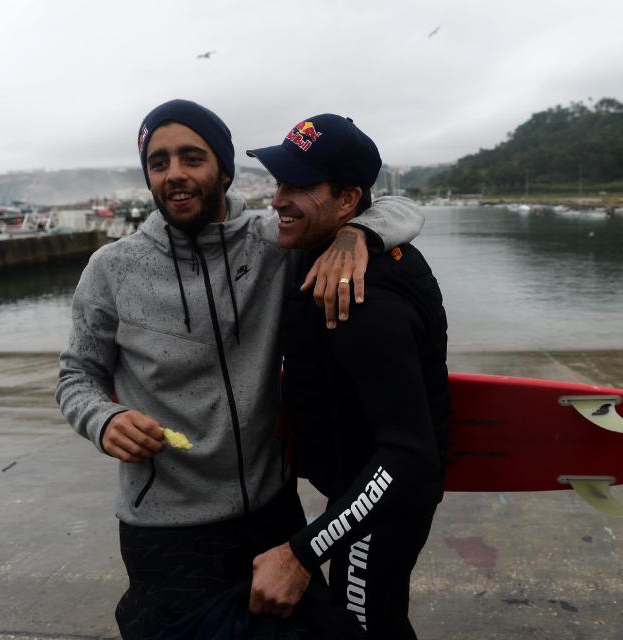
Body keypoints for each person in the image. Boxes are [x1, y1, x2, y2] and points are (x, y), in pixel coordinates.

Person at [56, 99, 424, 639]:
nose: (175, 174)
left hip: (271, 515)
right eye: (159, 163)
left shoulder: (274, 244)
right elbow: (75, 376)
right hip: (162, 530)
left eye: (192, 157)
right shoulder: (111, 269)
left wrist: (357, 235)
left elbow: (400, 209)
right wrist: (103, 420)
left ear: (224, 170)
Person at [243, 114, 449, 639]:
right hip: (362, 490)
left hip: (383, 498)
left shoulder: (361, 297)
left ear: (347, 198)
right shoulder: (330, 253)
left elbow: (409, 453)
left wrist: (302, 552)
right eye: (279, 182)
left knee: (365, 628)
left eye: (300, 185)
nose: (278, 199)